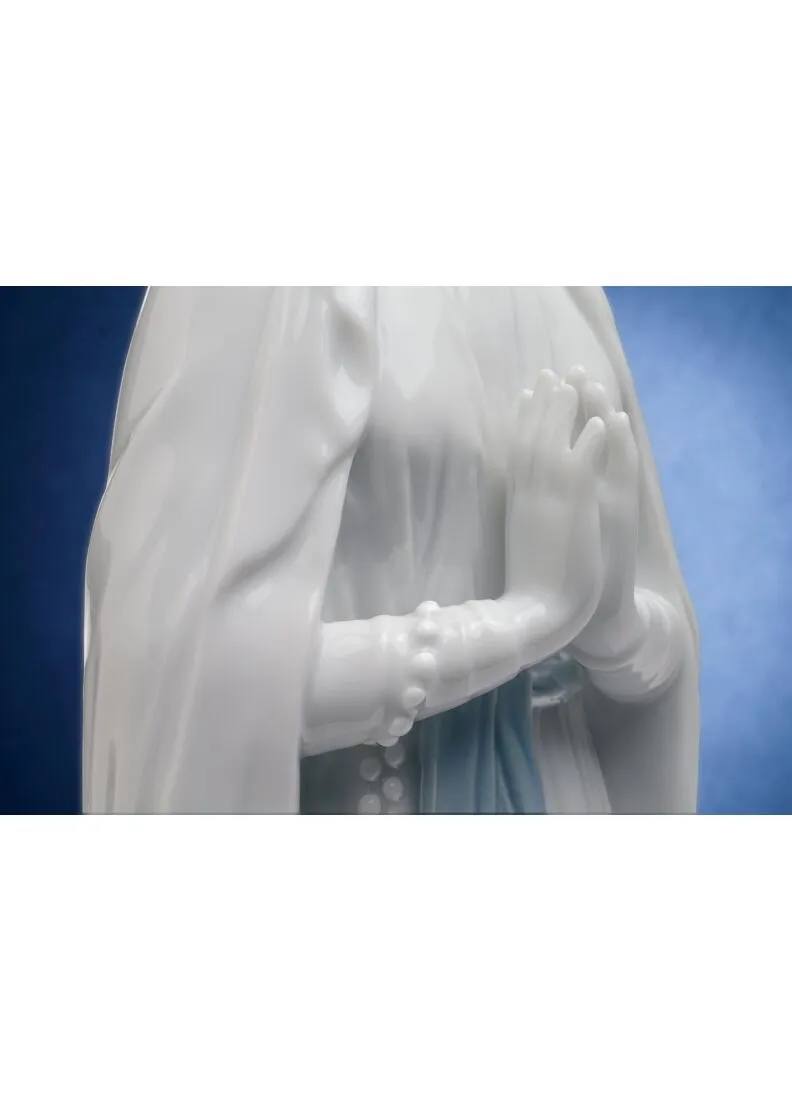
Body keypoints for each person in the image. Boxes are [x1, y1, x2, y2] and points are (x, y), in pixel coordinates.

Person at [83, 287, 699, 814]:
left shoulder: (563, 295)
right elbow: (181, 671)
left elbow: (653, 663)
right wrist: (527, 620)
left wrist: (615, 627)